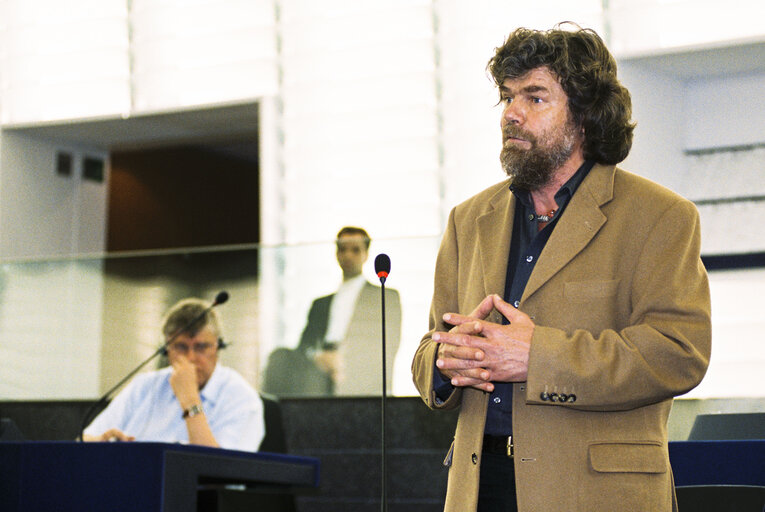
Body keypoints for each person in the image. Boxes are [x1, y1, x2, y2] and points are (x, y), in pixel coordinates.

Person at [411, 24, 711, 512]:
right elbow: (429, 349)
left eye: (534, 98)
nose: (512, 114)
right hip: (477, 488)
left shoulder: (660, 216)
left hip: (596, 493)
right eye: (507, 98)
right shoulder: (468, 221)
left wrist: (538, 356)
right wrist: (446, 364)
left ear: (586, 116)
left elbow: (678, 352)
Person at [83, 298, 265, 452]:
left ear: (218, 348)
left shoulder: (242, 398)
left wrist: (190, 401)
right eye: (181, 347)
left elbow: (218, 469)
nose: (191, 357)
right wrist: (103, 443)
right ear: (166, 350)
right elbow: (83, 440)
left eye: (201, 347)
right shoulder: (144, 386)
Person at [262, 226, 402, 396]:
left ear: (366, 254)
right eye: (343, 249)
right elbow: (304, 345)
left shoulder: (384, 296)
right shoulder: (320, 304)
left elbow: (388, 346)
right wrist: (318, 357)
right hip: (317, 374)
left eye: (355, 250)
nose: (348, 255)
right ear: (336, 254)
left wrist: (344, 361)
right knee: (279, 357)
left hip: (359, 374)